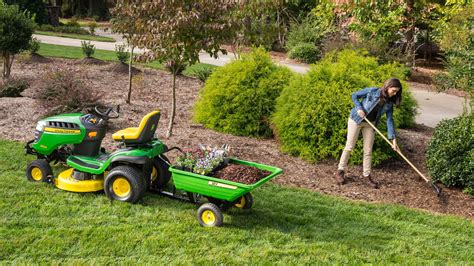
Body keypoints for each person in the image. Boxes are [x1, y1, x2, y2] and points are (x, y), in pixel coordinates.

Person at [336, 78, 403, 188]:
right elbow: (354, 95)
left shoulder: (389, 104)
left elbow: (389, 121)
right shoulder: (372, 91)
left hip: (370, 124)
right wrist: (359, 108)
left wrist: (393, 140)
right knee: (349, 146)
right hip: (356, 120)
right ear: (387, 87)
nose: (395, 93)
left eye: (397, 92)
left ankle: (367, 176)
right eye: (394, 90)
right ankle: (340, 171)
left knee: (368, 150)